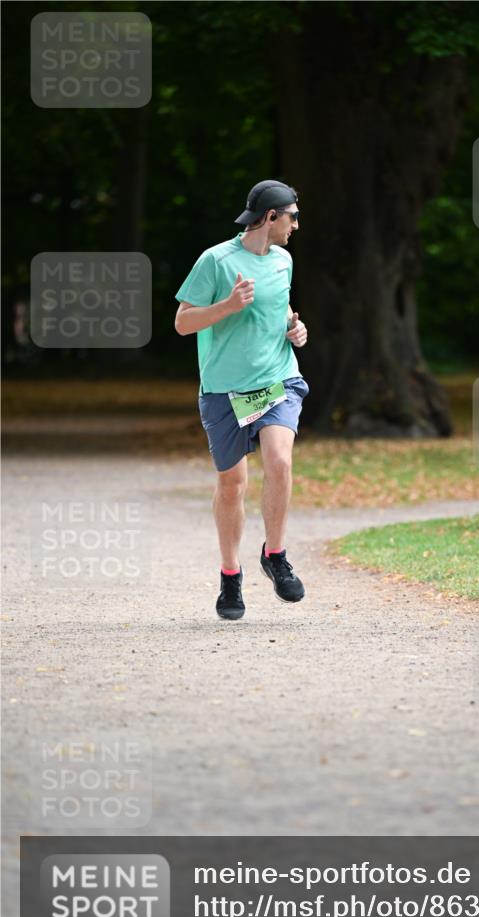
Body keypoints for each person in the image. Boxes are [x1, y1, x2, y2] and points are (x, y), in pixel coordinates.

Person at [174, 179, 309, 620]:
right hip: (224, 390)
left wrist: (295, 327)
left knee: (280, 461)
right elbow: (182, 323)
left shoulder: (284, 260)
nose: (295, 225)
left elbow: (282, 308)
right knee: (232, 485)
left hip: (278, 380)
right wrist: (227, 306)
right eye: (291, 216)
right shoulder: (215, 261)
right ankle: (231, 577)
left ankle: (275, 554)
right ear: (270, 217)